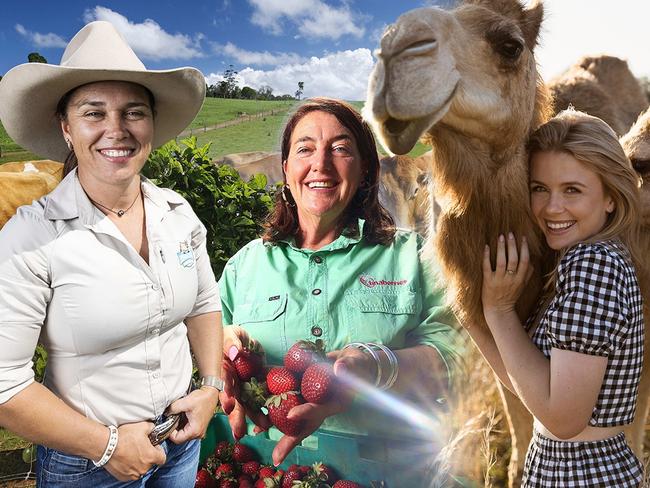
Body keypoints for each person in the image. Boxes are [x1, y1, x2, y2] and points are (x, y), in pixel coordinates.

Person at [0, 21, 223, 487]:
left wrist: (210, 387)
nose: (116, 130)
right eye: (93, 113)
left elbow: (204, 305)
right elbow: (5, 385)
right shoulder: (31, 236)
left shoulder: (178, 213)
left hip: (181, 443)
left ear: (152, 123)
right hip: (86, 464)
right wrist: (106, 445)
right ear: (66, 128)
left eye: (133, 112)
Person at [218, 97, 460, 466]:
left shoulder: (413, 257)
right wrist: (220, 357)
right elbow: (208, 349)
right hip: (269, 467)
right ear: (286, 169)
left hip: (386, 468)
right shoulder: (243, 266)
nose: (321, 164)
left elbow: (455, 357)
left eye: (341, 149)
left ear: (365, 170)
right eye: (305, 149)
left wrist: (378, 365)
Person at [479, 110, 645, 486]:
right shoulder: (589, 257)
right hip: (571, 467)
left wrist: (500, 310)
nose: (552, 208)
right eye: (540, 188)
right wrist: (477, 315)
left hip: (582, 474)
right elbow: (532, 388)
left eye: (572, 190)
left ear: (610, 198)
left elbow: (564, 420)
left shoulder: (592, 265)